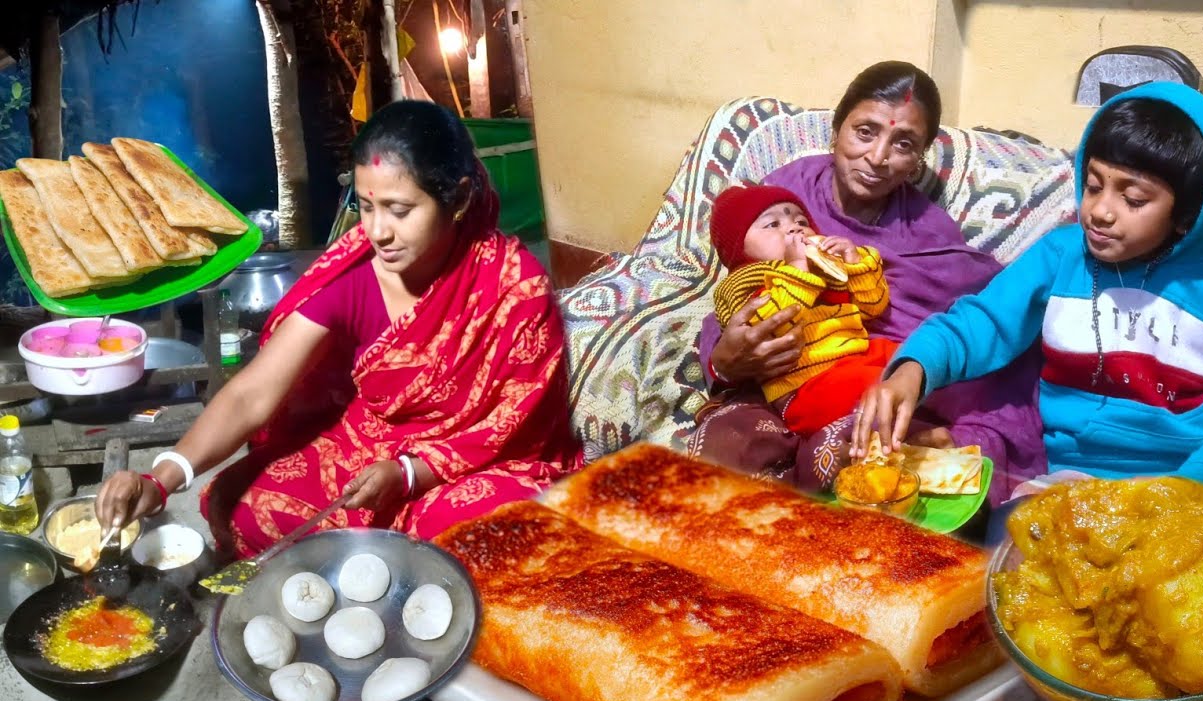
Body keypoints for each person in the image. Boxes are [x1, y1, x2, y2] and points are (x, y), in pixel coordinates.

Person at [95, 101, 583, 556]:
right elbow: (253, 393)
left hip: (476, 463)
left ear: (455, 198)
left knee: (473, 532)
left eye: (400, 209)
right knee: (239, 506)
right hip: (367, 446)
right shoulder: (353, 274)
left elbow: (512, 426)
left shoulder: (514, 285)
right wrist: (162, 477)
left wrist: (411, 473)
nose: (377, 232)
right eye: (367, 207)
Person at [852, 82, 1203, 496]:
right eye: (1093, 186)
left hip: (1185, 484)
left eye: (1132, 199)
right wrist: (914, 369)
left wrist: (1187, 492)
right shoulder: (1061, 256)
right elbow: (981, 322)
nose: (1100, 211)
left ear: (1187, 213)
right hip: (1064, 480)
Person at [692, 61, 1045, 498]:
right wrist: (725, 362)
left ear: (919, 157)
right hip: (774, 387)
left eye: (902, 144)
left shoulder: (929, 234)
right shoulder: (788, 194)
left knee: (855, 466)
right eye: (864, 132)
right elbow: (737, 291)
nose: (878, 158)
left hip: (862, 391)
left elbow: (989, 323)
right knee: (724, 455)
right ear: (836, 129)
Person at [708, 183, 893, 435]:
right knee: (873, 387)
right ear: (739, 250)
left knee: (914, 357)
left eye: (801, 221)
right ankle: (915, 431)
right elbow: (770, 329)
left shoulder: (826, 269)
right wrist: (796, 269)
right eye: (772, 225)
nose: (795, 228)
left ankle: (937, 407)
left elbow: (873, 309)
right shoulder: (746, 282)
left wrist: (856, 265)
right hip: (807, 387)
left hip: (858, 355)